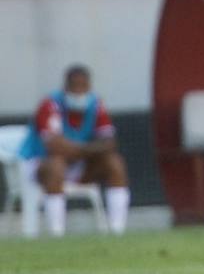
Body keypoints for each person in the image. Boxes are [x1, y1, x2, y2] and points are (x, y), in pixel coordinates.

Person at [18, 65, 131, 237]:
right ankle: (57, 233)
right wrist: (90, 149)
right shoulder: (50, 105)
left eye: (83, 86)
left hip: (78, 164)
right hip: (40, 167)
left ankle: (118, 230)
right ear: (65, 87)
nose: (79, 92)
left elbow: (109, 143)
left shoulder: (95, 105)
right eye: (74, 87)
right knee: (56, 164)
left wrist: (78, 150)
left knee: (114, 162)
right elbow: (55, 147)